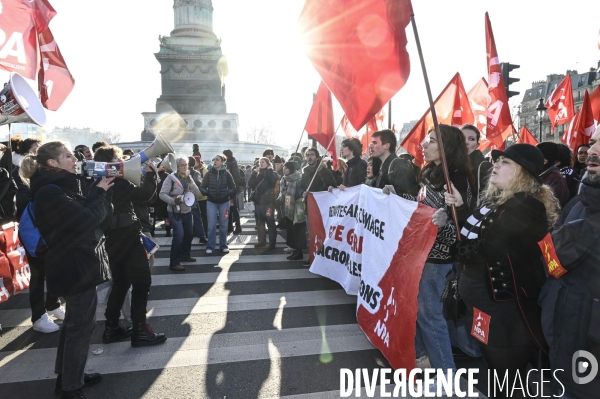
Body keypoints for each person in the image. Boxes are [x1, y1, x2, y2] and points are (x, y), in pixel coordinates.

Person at [446, 144, 559, 399]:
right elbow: (476, 233)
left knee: (508, 379)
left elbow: (489, 247)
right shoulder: (501, 201)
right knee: (497, 373)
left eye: (505, 162)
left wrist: (454, 249)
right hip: (484, 308)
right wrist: (462, 209)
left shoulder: (526, 206)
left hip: (507, 313)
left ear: (523, 173)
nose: (495, 164)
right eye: (497, 160)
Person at [20, 141, 113, 398]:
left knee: (75, 322)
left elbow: (99, 216)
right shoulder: (50, 192)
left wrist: (102, 191)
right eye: (68, 156)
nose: (75, 159)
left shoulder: (60, 187)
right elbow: (86, 219)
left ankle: (68, 376)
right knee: (81, 325)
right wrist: (99, 193)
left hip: (75, 263)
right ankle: (71, 386)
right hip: (73, 265)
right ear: (53, 163)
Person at [539, 127, 600, 399]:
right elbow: (552, 258)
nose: (593, 151)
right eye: (594, 142)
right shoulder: (580, 200)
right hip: (562, 330)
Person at [412, 125, 475, 382]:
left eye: (430, 142)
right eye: (425, 141)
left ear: (446, 146)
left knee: (430, 313)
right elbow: (423, 204)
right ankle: (424, 359)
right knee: (420, 310)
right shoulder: (429, 172)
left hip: (439, 256)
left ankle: (446, 375)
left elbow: (466, 214)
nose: (423, 146)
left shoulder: (457, 175)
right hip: (422, 251)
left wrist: (450, 214)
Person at [93, 146, 166, 348]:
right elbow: (144, 196)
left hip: (111, 236)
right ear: (111, 162)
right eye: (118, 159)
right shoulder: (117, 179)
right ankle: (140, 330)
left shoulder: (98, 179)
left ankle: (111, 327)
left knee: (121, 282)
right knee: (142, 281)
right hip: (127, 234)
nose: (123, 162)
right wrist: (152, 177)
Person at [13, 138, 65, 333]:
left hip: (44, 235)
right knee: (38, 276)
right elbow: (24, 203)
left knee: (51, 273)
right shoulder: (31, 184)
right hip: (37, 236)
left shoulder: (41, 182)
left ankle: (52, 305)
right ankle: (39, 316)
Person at [159, 157, 200, 271]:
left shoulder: (188, 177)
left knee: (189, 234)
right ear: (176, 166)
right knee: (179, 236)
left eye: (186, 164)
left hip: (187, 210)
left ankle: (185, 255)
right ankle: (174, 262)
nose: (184, 167)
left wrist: (190, 182)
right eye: (182, 165)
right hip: (175, 212)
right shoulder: (170, 178)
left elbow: (197, 192)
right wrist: (173, 201)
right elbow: (162, 194)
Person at [200, 154, 236, 254]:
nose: (214, 161)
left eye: (217, 160)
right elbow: (202, 186)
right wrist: (208, 193)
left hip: (224, 202)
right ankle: (210, 246)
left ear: (222, 162)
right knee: (211, 225)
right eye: (214, 160)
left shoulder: (227, 174)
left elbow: (233, 187)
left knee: (223, 224)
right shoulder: (209, 173)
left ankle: (223, 245)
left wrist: (227, 194)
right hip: (211, 202)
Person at [370, 129, 418, 199]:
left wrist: (395, 195)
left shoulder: (399, 166)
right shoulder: (383, 166)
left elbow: (409, 199)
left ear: (386, 146)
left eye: (375, 143)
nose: (371, 146)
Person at [249, 157, 279, 249]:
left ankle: (272, 242)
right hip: (258, 202)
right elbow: (250, 184)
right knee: (260, 222)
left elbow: (273, 181)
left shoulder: (272, 173)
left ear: (268, 163)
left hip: (269, 202)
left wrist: (270, 170)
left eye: (263, 162)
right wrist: (254, 172)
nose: (261, 164)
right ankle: (261, 241)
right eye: (260, 162)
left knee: (270, 221)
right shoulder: (258, 173)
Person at [278, 160, 306, 260]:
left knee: (297, 230)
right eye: (284, 168)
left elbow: (299, 194)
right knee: (290, 229)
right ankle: (293, 249)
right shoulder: (285, 179)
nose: (284, 170)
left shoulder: (297, 180)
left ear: (291, 169)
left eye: (286, 168)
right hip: (287, 207)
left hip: (296, 208)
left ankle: (298, 251)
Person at [462, 124, 492, 203]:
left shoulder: (485, 167)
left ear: (477, 145)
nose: (466, 142)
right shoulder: (453, 166)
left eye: (471, 139)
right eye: (462, 138)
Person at [537, 142, 570, 207]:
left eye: (536, 155)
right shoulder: (542, 173)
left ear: (545, 160)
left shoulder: (555, 177)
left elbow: (553, 204)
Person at [223, 149, 242, 234]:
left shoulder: (233, 163)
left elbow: (236, 176)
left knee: (234, 208)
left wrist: (235, 188)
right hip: (228, 189)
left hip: (231, 189)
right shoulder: (229, 163)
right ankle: (230, 226)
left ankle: (238, 227)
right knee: (229, 208)